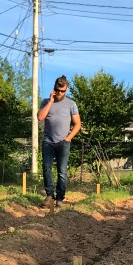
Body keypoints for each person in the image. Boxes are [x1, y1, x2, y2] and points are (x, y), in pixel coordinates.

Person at [37, 76, 81, 207]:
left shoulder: (71, 104)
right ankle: (50, 196)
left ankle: (60, 198)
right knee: (47, 168)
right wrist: (51, 101)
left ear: (66, 89)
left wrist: (68, 138)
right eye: (58, 90)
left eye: (63, 91)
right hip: (48, 142)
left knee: (62, 171)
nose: (60, 93)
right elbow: (40, 117)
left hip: (63, 143)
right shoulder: (45, 102)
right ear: (54, 89)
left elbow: (77, 124)